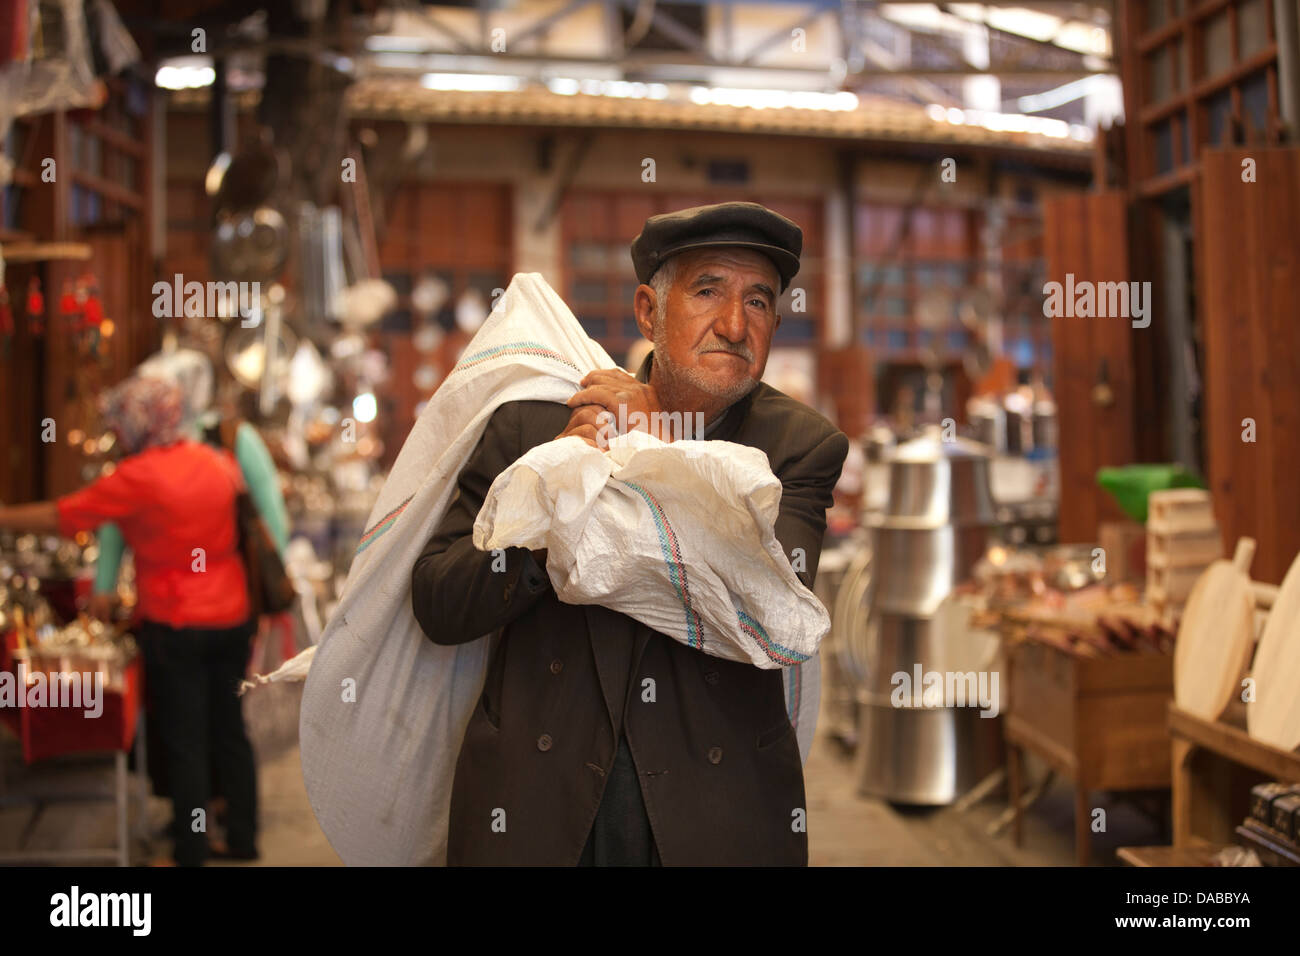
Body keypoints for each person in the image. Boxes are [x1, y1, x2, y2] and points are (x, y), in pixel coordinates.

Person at [411, 202, 848, 865]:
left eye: (758, 303)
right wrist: (553, 496)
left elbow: (766, 611)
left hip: (714, 814)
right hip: (538, 806)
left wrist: (651, 436)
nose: (733, 324)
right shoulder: (537, 426)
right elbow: (439, 603)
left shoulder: (798, 448)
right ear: (649, 312)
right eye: (708, 291)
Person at [0, 375, 259, 866]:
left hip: (177, 620)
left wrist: (5, 516)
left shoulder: (138, 476)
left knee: (185, 740)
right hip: (232, 614)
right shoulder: (216, 461)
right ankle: (242, 838)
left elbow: (66, 517)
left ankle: (190, 850)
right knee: (229, 728)